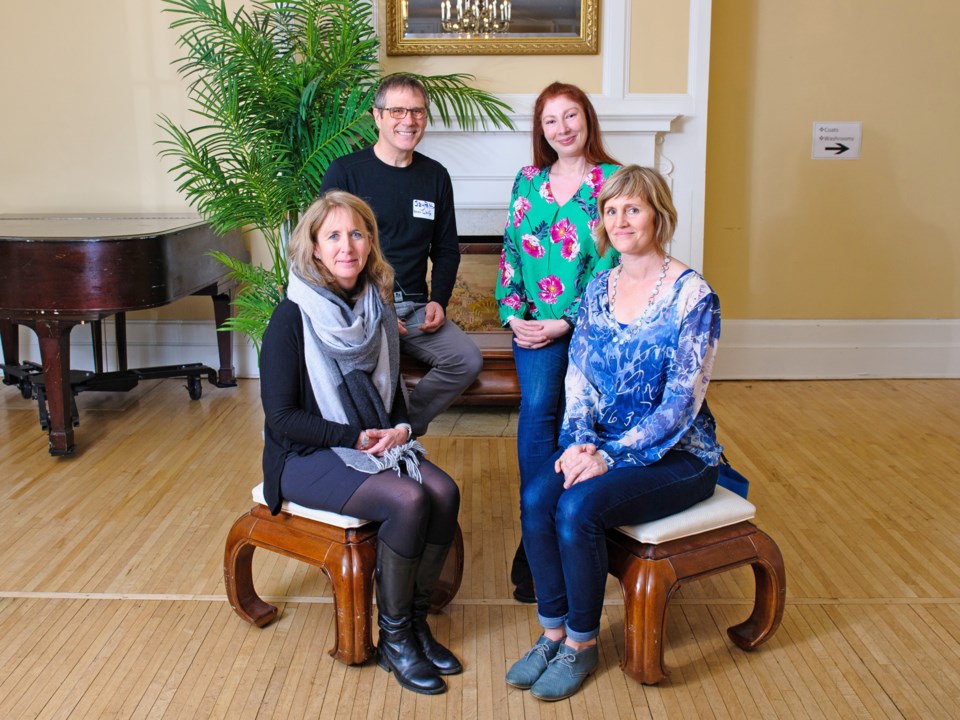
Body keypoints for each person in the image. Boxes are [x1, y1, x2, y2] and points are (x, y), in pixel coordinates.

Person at [504, 165, 723, 701]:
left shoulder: (693, 296)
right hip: (599, 444)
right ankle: (551, 633)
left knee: (578, 509)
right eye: (611, 210)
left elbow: (680, 405)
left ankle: (582, 644)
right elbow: (578, 378)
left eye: (634, 208)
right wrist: (580, 441)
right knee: (537, 497)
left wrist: (609, 455)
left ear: (658, 215)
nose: (621, 220)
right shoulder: (599, 287)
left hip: (678, 455)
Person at [259, 191, 462, 695]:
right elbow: (282, 418)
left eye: (356, 233)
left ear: (370, 241)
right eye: (333, 235)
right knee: (410, 498)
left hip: (368, 443)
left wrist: (400, 430)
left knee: (445, 492)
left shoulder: (377, 302)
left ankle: (415, 623)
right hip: (304, 456)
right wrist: (353, 435)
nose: (346, 245)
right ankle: (392, 639)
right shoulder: (291, 316)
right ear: (314, 247)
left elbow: (389, 397)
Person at [495, 82, 620, 603]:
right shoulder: (527, 180)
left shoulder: (613, 181)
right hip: (533, 329)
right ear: (541, 130)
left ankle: (578, 539)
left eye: (571, 116)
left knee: (582, 422)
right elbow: (510, 250)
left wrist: (566, 320)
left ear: (587, 120)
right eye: (551, 120)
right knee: (540, 412)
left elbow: (613, 262)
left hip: (591, 330)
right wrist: (513, 314)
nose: (563, 128)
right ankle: (535, 544)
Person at [320, 74, 482, 438]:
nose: (408, 120)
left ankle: (402, 427)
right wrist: (375, 308)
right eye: (397, 111)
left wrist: (439, 300)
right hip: (365, 307)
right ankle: (377, 443)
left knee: (466, 360)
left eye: (417, 112)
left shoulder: (435, 176)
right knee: (378, 376)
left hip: (417, 309)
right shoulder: (346, 173)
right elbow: (330, 253)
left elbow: (444, 249)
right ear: (377, 116)